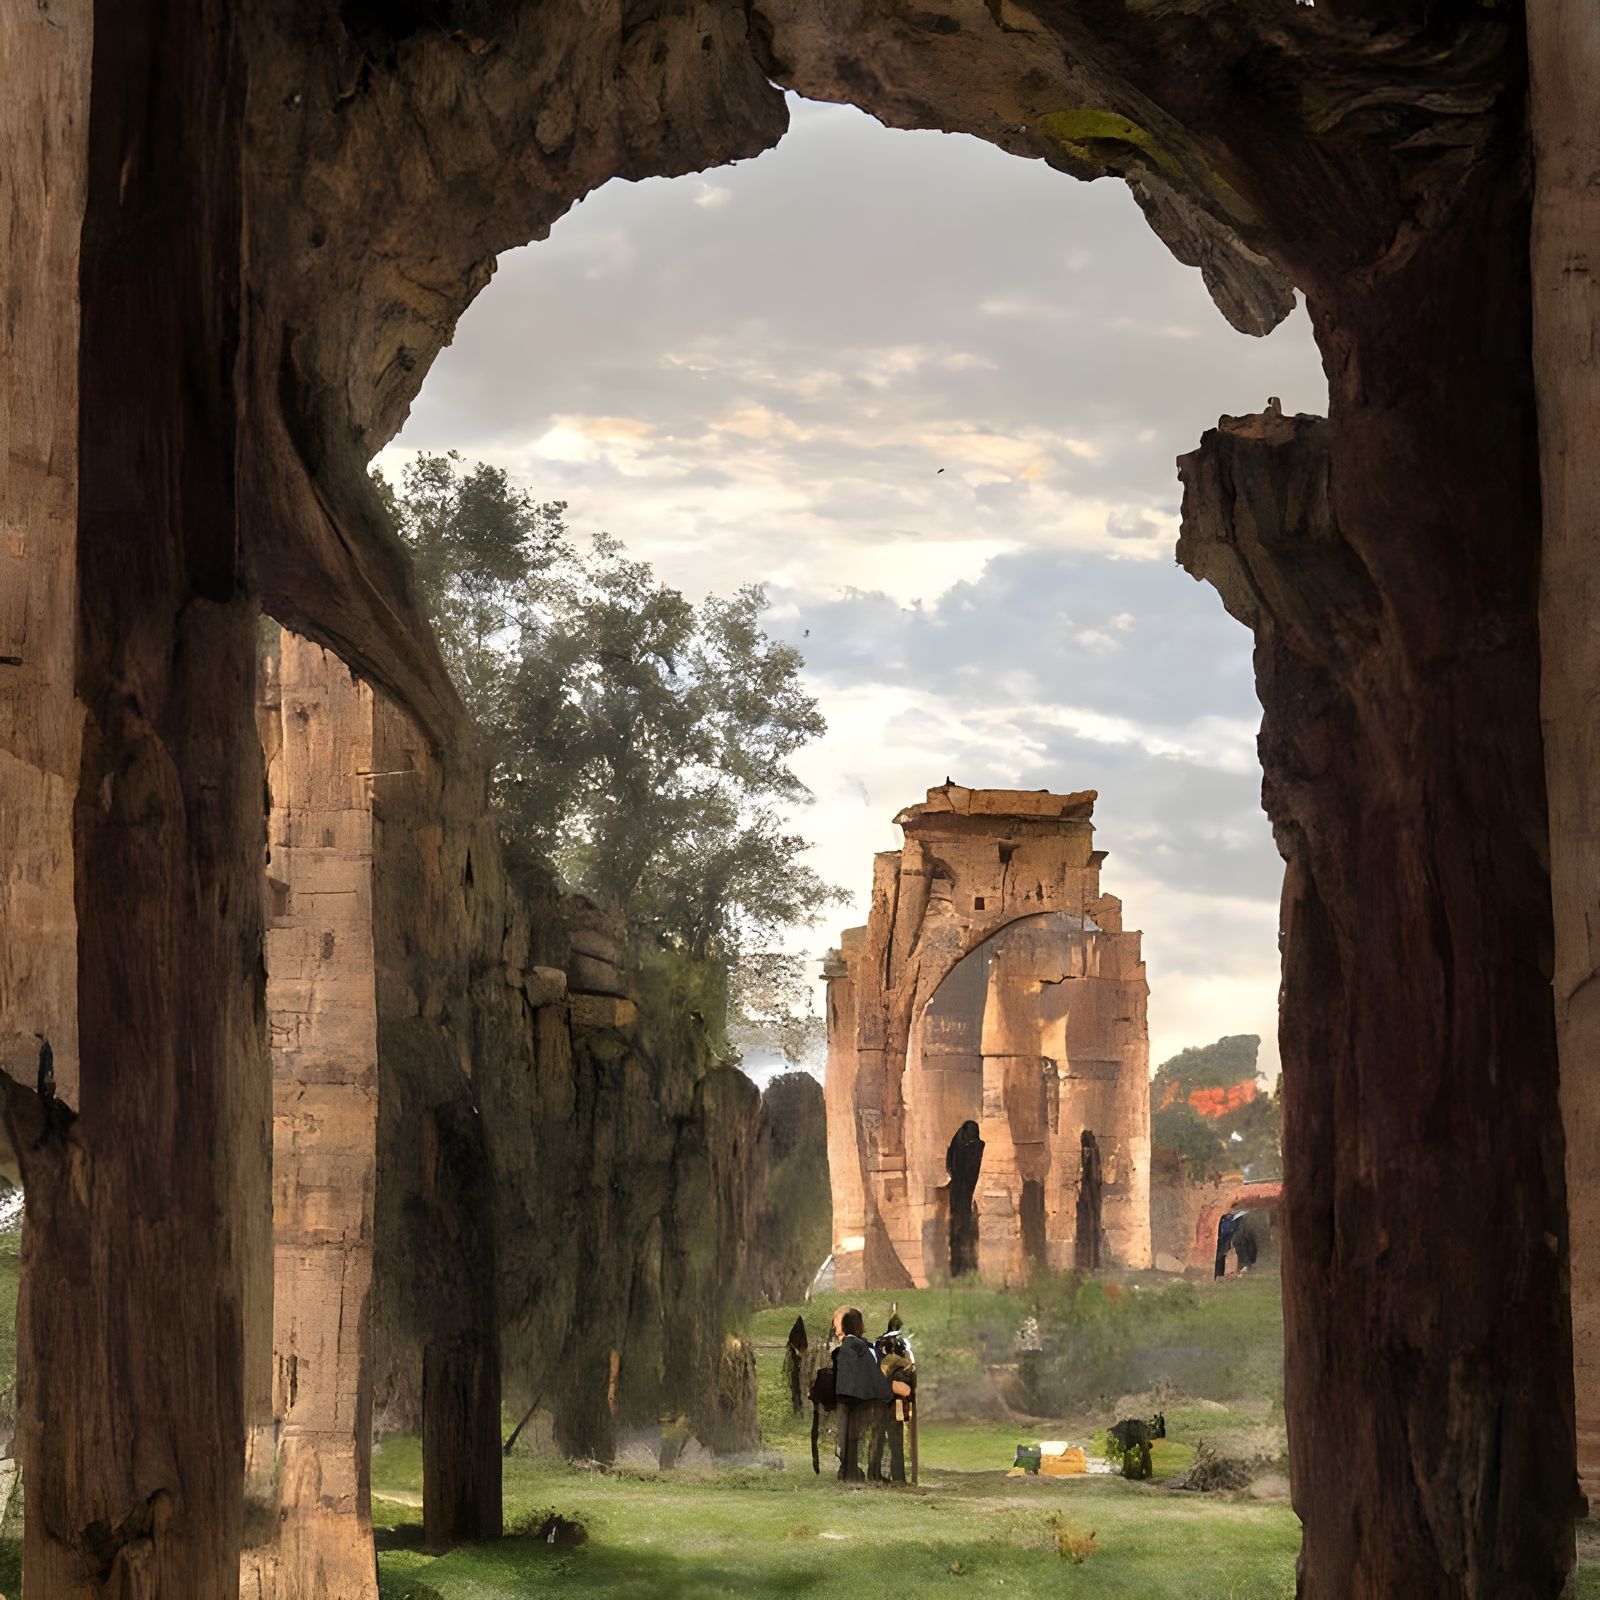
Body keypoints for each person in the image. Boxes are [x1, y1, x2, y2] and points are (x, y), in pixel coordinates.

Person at [830, 1308, 909, 1481]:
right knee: (853, 1438)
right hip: (858, 1399)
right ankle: (853, 1474)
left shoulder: (855, 1346)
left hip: (853, 1399)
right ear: (859, 1326)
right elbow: (870, 1374)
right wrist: (887, 1391)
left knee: (851, 1438)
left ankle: (853, 1473)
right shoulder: (856, 1346)